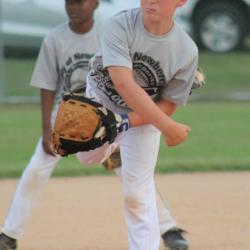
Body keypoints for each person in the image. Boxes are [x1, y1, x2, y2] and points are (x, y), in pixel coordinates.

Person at [0, 0, 190, 250]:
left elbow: (141, 80)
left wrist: (176, 74)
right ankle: (10, 234)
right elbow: (47, 84)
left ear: (96, 4)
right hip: (68, 118)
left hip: (120, 115)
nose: (73, 7)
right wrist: (47, 129)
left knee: (137, 185)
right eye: (70, 2)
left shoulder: (114, 31)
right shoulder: (57, 38)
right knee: (37, 169)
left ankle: (168, 228)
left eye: (80, 2)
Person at [76, 0, 198, 249]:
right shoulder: (119, 25)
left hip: (146, 118)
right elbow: (124, 85)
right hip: (101, 103)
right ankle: (114, 149)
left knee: (138, 196)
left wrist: (131, 123)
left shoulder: (186, 51)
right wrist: (169, 127)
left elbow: (167, 105)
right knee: (86, 157)